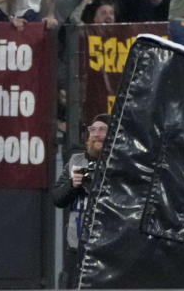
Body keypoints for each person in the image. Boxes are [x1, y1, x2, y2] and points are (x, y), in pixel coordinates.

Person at [52, 114, 109, 289]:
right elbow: (57, 198)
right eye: (93, 130)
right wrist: (72, 184)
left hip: (106, 249)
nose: (96, 134)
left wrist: (95, 181)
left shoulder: (119, 163)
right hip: (76, 248)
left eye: (102, 130)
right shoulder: (76, 161)